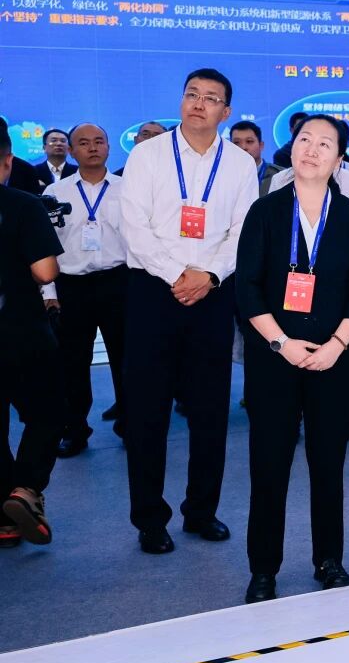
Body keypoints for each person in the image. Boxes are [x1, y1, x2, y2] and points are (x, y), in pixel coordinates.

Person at [236, 114, 349, 603]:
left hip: (334, 360)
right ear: (291, 149)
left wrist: (337, 346)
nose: (312, 150)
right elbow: (247, 288)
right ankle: (263, 569)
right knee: (268, 463)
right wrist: (282, 343)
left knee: (328, 461)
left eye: (325, 144)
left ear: (339, 160)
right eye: (304, 140)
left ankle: (329, 559)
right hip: (273, 356)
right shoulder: (265, 211)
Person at [119, 68, 258, 555]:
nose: (199, 103)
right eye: (192, 94)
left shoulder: (240, 164)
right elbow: (134, 226)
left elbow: (243, 232)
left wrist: (209, 275)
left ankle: (201, 510)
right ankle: (149, 519)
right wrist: (177, 274)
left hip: (213, 294)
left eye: (211, 98)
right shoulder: (147, 154)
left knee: (210, 409)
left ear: (226, 111)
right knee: (147, 410)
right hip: (152, 291)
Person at [41, 124, 129, 456]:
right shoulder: (55, 192)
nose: (92, 148)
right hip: (72, 286)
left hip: (118, 282)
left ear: (108, 147)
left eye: (98, 141)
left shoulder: (128, 189)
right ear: (72, 151)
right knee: (72, 363)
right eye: (83, 143)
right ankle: (75, 430)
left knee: (126, 360)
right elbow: (46, 246)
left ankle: (129, 425)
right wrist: (49, 292)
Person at [0, 126, 65, 548]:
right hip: (20, 328)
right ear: (8, 161)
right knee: (48, 412)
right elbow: (45, 272)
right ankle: (25, 489)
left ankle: (5, 519)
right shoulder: (23, 204)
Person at [230, 121, 283, 198]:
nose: (243, 147)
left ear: (261, 145)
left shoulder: (280, 175)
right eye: (237, 142)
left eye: (249, 141)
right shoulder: (221, 175)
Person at [32, 128, 76, 193]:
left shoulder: (77, 172)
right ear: (44, 148)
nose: (59, 144)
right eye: (54, 140)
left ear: (69, 148)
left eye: (63, 141)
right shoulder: (33, 172)